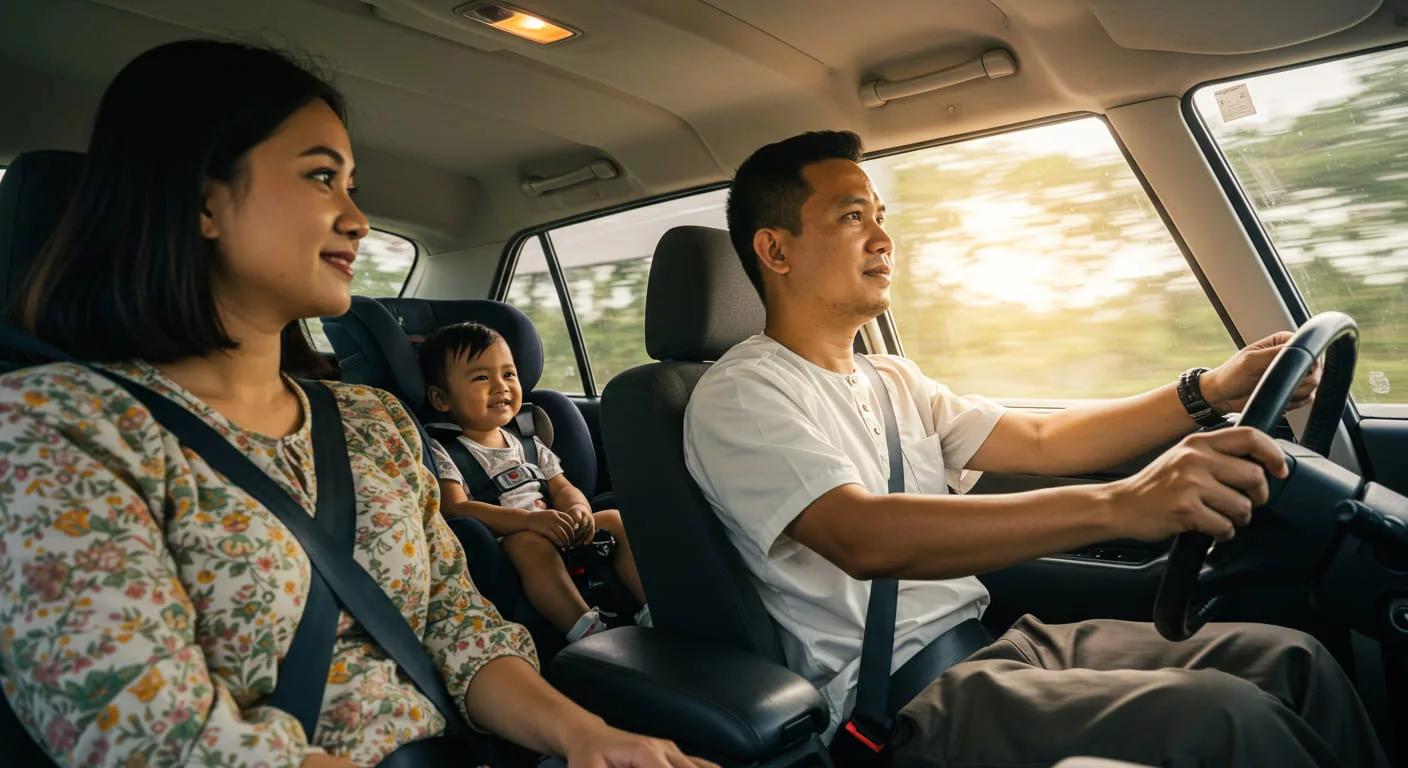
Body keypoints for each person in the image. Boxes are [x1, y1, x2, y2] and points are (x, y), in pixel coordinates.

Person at [0, 40, 709, 768]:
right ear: (202, 199)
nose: (357, 219)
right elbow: (154, 738)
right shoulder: (51, 429)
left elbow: (457, 626)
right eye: (320, 178)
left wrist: (588, 738)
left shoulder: (373, 421)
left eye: (352, 186)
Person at [683, 130, 1388, 767]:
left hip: (998, 643)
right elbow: (861, 535)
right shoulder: (743, 394)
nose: (883, 238)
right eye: (851, 217)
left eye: (881, 215)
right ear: (776, 250)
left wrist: (1211, 390)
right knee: (1226, 718)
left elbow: (1044, 439)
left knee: (1292, 660)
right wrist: (1122, 504)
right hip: (903, 700)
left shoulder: (891, 377)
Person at [420, 322, 651, 641]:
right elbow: (455, 508)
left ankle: (652, 606)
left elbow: (561, 486)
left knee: (612, 518)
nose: (501, 386)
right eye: (482, 378)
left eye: (508, 374)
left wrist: (577, 509)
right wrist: (529, 521)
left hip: (556, 527)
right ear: (440, 398)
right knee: (528, 544)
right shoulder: (443, 450)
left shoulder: (528, 442)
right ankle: (584, 628)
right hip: (507, 544)